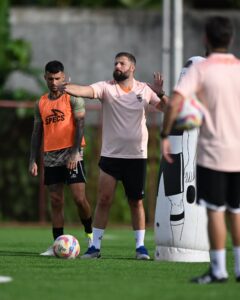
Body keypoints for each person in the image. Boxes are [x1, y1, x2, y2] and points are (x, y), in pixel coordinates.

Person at [61, 52, 168, 259]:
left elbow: (171, 108)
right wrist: (65, 87)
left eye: (122, 63)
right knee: (104, 199)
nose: (117, 66)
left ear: (132, 68)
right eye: (116, 63)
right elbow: (84, 90)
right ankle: (94, 248)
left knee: (136, 202)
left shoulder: (145, 90)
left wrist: (161, 93)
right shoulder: (106, 87)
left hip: (137, 156)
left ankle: (140, 248)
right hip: (111, 156)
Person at [160, 16, 240, 283]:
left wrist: (164, 133)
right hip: (237, 153)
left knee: (215, 211)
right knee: (236, 211)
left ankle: (218, 270)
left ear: (206, 39)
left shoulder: (200, 70)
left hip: (212, 153)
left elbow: (176, 103)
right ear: (230, 40)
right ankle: (239, 268)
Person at [29, 60, 93, 256]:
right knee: (56, 201)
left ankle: (91, 238)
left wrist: (75, 152)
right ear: (45, 78)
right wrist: (33, 159)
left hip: (72, 152)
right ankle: (57, 243)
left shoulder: (73, 98)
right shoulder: (41, 103)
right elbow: (37, 132)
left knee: (79, 198)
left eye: (57, 78)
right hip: (51, 155)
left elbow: (80, 124)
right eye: (50, 78)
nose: (54, 82)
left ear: (63, 77)